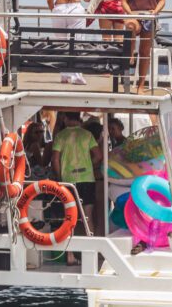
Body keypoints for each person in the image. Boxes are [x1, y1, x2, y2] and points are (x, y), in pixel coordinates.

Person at [51, 112, 102, 264]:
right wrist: (88, 166)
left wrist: (59, 177)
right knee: (88, 218)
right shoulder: (87, 135)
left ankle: (70, 256)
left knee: (69, 218)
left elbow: (55, 159)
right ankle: (90, 254)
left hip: (68, 181)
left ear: (66, 118)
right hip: (87, 179)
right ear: (78, 118)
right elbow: (98, 156)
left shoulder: (60, 136)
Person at [121, 0, 166, 92]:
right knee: (130, 25)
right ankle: (130, 54)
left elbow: (162, 0)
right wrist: (130, 14)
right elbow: (123, 1)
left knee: (145, 52)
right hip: (134, 14)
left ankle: (140, 85)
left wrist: (155, 11)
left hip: (149, 16)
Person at [46, 0, 92, 84]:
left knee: (62, 43)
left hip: (59, 10)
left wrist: (53, 10)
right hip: (76, 10)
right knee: (76, 43)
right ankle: (77, 76)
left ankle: (65, 75)